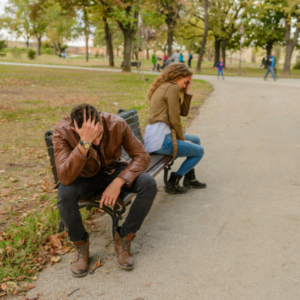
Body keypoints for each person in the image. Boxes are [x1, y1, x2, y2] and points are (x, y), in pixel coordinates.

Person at [53, 104, 157, 277]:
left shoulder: (116, 124)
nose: (95, 142)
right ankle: (81, 246)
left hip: (113, 171)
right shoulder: (63, 131)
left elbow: (142, 156)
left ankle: (124, 239)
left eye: (97, 134)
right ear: (74, 128)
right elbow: (65, 177)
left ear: (101, 119)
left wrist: (118, 181)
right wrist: (83, 144)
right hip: (83, 176)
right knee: (64, 194)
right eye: (88, 138)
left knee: (148, 183)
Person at [144, 63, 206, 194]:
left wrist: (188, 91)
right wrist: (182, 139)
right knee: (199, 151)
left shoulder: (166, 86)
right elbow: (174, 119)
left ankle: (190, 179)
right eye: (185, 82)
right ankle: (174, 181)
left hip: (159, 137)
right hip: (161, 141)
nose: (184, 85)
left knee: (195, 140)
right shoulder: (171, 88)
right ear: (178, 75)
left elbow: (183, 113)